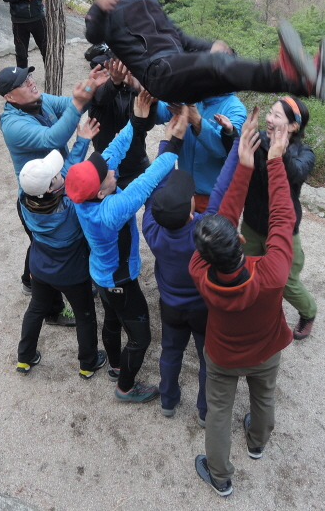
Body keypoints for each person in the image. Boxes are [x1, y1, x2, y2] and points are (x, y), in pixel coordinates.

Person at [85, 0, 325, 105]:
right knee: (218, 64)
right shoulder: (106, 11)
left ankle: (306, 84)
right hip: (158, 73)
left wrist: (209, 47)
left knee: (230, 74)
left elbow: (180, 38)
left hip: (179, 69)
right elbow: (93, 35)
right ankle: (287, 70)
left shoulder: (150, 2)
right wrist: (101, 7)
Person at [190, 109, 294, 497]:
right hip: (266, 350)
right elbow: (282, 219)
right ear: (241, 241)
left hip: (222, 355)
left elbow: (222, 220)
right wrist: (272, 162)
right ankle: (257, 443)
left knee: (219, 411)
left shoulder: (199, 268)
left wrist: (245, 166)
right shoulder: (272, 274)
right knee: (263, 396)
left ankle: (220, 476)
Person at [66, 93, 188, 403]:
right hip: (120, 280)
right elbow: (147, 181)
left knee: (111, 318)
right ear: (100, 191)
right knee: (141, 336)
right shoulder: (111, 212)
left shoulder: (83, 192)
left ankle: (115, 365)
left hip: (101, 274)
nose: (110, 169)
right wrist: (172, 144)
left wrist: (136, 120)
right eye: (106, 173)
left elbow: (113, 150)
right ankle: (125, 386)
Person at [141, 127, 239, 425]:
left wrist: (168, 143)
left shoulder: (151, 227)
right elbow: (221, 189)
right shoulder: (203, 232)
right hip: (202, 308)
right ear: (191, 210)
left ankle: (168, 401)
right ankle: (205, 412)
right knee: (207, 358)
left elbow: (156, 184)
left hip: (170, 306)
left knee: (171, 352)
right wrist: (235, 144)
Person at [0, 64, 107, 325]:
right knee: (46, 245)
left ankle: (29, 281)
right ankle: (53, 311)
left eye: (29, 76)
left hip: (57, 186)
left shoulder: (39, 100)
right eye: (23, 83)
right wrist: (79, 110)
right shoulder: (13, 125)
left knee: (41, 243)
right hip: (39, 199)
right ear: (9, 97)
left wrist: (90, 87)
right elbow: (52, 138)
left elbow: (70, 104)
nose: (31, 82)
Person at [15, 119, 109, 379]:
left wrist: (82, 141)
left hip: (41, 268)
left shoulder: (24, 198)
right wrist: (83, 141)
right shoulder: (70, 207)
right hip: (72, 272)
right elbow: (72, 176)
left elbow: (65, 174)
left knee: (36, 309)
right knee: (85, 314)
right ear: (50, 187)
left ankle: (24, 357)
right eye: (56, 176)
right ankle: (88, 362)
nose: (61, 174)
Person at [242, 96, 317, 339]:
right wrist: (230, 132)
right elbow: (237, 153)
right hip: (252, 223)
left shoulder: (305, 153)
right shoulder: (259, 140)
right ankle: (253, 307)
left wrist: (279, 152)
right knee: (246, 269)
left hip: (283, 231)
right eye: (270, 113)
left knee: (286, 281)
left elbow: (296, 174)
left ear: (293, 125)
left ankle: (308, 312)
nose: (269, 119)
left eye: (277, 116)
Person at [86, 45, 159, 188]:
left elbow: (146, 125)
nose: (128, 69)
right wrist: (115, 82)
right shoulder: (98, 85)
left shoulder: (140, 89)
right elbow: (101, 97)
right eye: (123, 64)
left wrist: (145, 94)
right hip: (106, 168)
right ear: (112, 65)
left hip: (136, 165)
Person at [156, 95, 247, 212]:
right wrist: (149, 96)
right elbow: (163, 111)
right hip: (185, 192)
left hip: (213, 198)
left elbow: (222, 149)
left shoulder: (235, 109)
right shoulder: (192, 95)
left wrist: (197, 122)